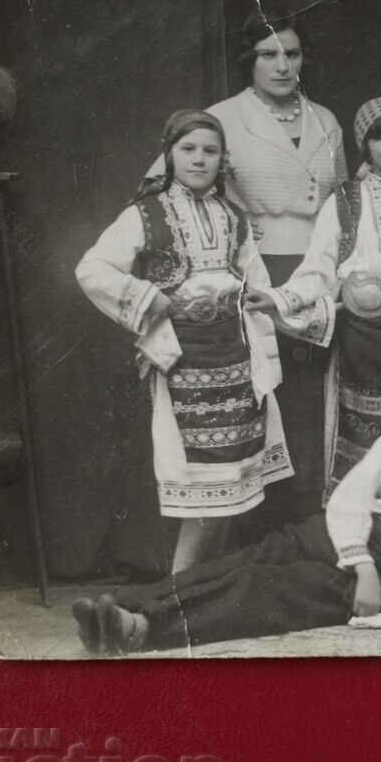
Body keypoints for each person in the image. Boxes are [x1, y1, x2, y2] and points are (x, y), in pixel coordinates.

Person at [70, 373, 381, 654]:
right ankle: (117, 610)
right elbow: (349, 499)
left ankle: (141, 628)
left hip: (371, 574)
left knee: (261, 587)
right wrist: (363, 562)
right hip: (328, 533)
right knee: (239, 562)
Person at [145, 9, 348, 520]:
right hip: (254, 272)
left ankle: (309, 525)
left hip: (315, 274)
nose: (282, 65)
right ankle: (256, 532)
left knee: (312, 399)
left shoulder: (325, 120)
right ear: (249, 61)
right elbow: (158, 189)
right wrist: (226, 217)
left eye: (292, 54)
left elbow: (343, 201)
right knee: (260, 397)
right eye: (268, 54)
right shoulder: (224, 117)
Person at [76, 109, 292, 573]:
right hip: (182, 360)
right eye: (188, 149)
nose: (199, 159)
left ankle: (203, 582)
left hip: (235, 356)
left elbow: (255, 278)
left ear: (222, 159)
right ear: (169, 155)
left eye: (210, 151)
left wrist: (259, 299)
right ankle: (180, 583)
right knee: (198, 477)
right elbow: (92, 269)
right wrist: (144, 296)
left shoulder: (232, 216)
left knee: (234, 472)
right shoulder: (146, 213)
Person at [246, 97, 381, 495]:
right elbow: (318, 270)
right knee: (370, 446)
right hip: (365, 343)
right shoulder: (346, 201)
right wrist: (279, 299)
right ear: (366, 145)